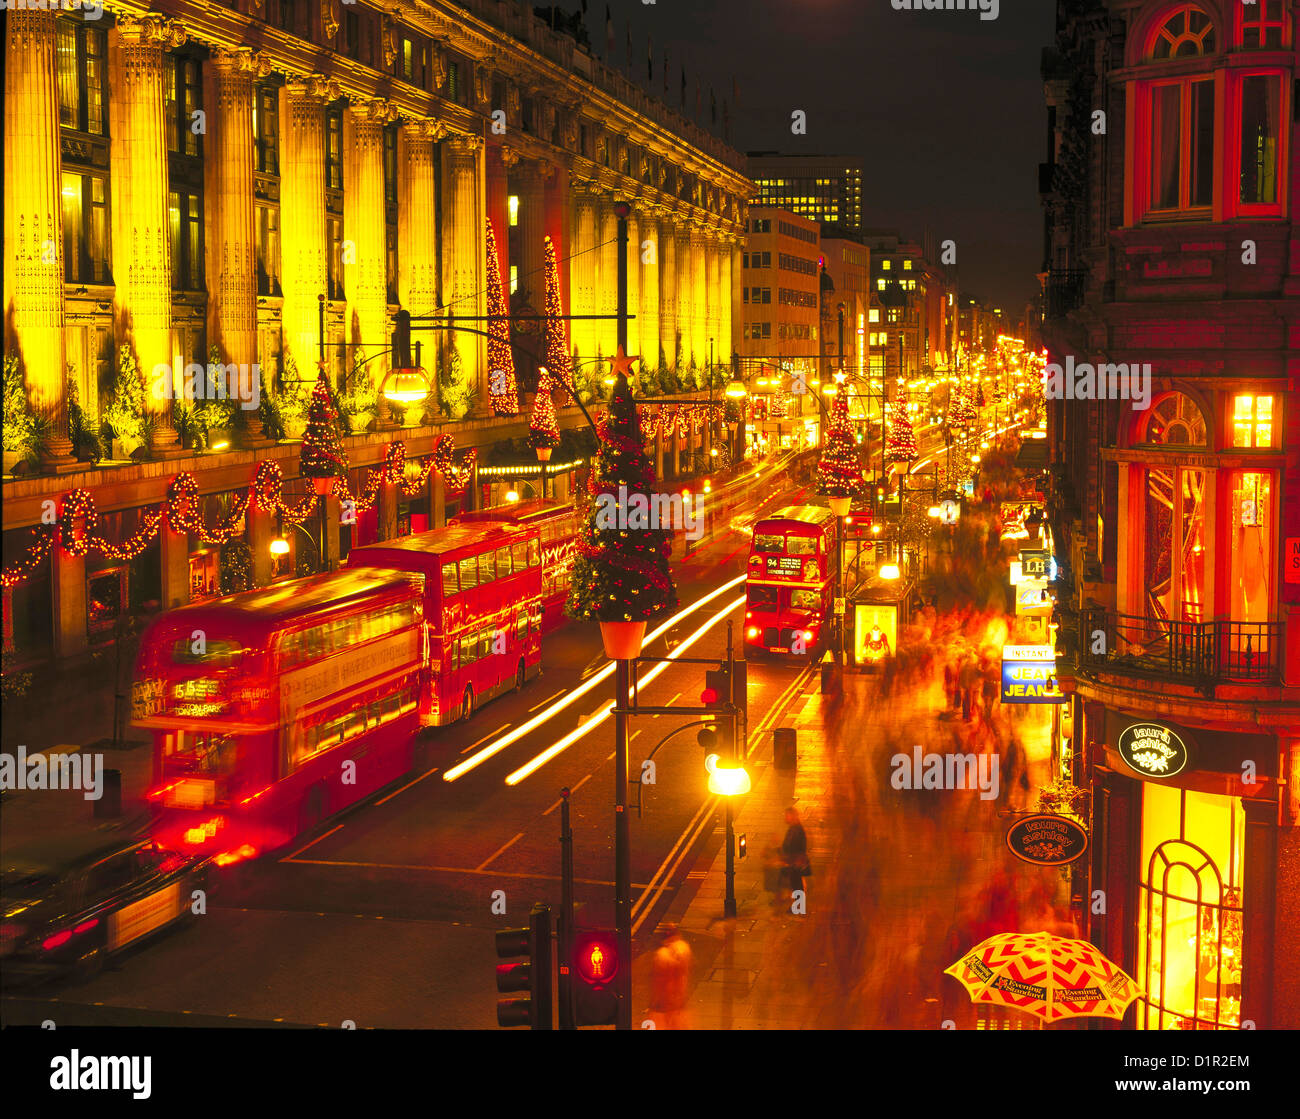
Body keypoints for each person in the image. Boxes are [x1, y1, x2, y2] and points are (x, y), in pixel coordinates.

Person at [648, 924, 693, 1029]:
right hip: (678, 996)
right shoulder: (683, 948)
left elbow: (658, 979)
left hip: (665, 997)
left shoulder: (661, 954)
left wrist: (655, 999)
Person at [780, 806, 810, 900]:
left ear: (792, 816)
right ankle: (798, 906)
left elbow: (795, 846)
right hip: (794, 861)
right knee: (795, 884)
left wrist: (790, 858)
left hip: (796, 862)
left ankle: (799, 907)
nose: (785, 818)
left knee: (797, 884)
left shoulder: (796, 830)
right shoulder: (794, 828)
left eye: (787, 816)